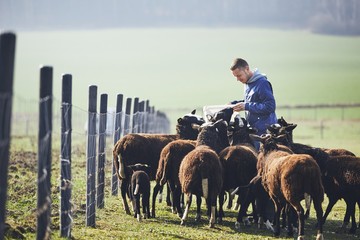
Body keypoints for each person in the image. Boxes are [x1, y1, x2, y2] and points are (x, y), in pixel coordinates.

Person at [229, 58, 277, 150]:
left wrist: (246, 106)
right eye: (236, 77)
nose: (238, 79)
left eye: (239, 75)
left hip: (265, 133)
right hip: (254, 131)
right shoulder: (248, 83)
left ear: (247, 69)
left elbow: (270, 106)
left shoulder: (262, 83)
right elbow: (253, 100)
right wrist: (234, 104)